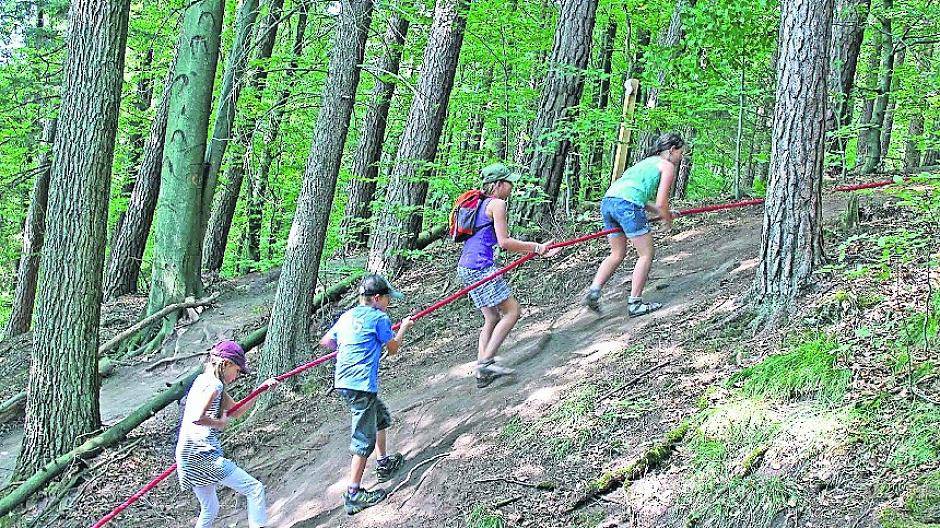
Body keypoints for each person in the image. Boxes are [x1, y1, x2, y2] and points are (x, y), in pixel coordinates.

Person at [457, 163, 561, 388]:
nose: (512, 186)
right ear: (499, 185)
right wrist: (536, 247)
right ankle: (485, 363)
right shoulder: (497, 204)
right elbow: (504, 243)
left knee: (492, 317)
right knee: (513, 311)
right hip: (480, 267)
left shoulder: (478, 203)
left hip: (465, 266)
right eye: (509, 182)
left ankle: (482, 372)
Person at [319, 274, 416, 515]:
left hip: (345, 382)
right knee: (364, 439)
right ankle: (353, 494)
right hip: (361, 384)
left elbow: (326, 342)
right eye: (387, 299)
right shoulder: (379, 318)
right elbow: (393, 349)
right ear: (376, 298)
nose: (389, 304)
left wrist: (348, 348)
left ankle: (383, 463)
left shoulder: (347, 316)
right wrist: (403, 328)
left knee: (380, 416)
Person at [176, 341, 278, 528]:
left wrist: (261, 390)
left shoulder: (203, 380)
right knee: (254, 489)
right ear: (226, 364)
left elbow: (236, 411)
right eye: (237, 370)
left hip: (186, 456)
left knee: (210, 508)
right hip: (202, 455)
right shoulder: (215, 385)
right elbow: (199, 417)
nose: (237, 376)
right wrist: (219, 423)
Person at [585, 132, 686, 316]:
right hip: (627, 205)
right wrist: (666, 219)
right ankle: (635, 303)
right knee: (646, 254)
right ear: (671, 150)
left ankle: (594, 291)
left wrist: (663, 213)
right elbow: (661, 201)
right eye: (680, 153)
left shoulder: (646, 163)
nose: (681, 157)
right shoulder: (667, 166)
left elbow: (639, 198)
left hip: (608, 201)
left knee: (617, 253)